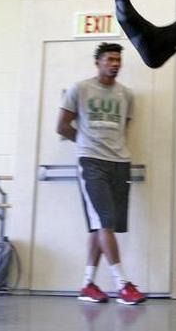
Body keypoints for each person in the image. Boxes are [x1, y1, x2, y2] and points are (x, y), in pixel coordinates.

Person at [57, 42, 146, 305]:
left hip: (119, 163)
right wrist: (85, 141)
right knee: (104, 222)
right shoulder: (80, 89)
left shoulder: (127, 95)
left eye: (118, 60)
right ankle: (123, 285)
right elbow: (62, 126)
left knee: (102, 225)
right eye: (109, 59)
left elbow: (123, 128)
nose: (115, 64)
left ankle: (87, 284)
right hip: (91, 162)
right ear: (98, 62)